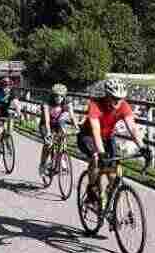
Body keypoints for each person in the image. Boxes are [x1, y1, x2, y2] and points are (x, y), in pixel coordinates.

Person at [79, 77, 145, 209]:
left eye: (121, 98)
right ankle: (91, 190)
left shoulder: (123, 105)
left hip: (108, 137)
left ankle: (109, 201)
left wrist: (143, 147)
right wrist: (101, 153)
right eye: (114, 98)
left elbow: (132, 127)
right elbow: (95, 131)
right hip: (88, 136)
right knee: (96, 158)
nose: (118, 101)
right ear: (107, 95)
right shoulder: (95, 104)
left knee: (113, 173)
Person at [39, 83, 78, 178]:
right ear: (53, 95)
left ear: (64, 96)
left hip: (58, 123)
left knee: (63, 137)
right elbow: (47, 120)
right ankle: (42, 165)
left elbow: (72, 116)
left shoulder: (67, 102)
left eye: (61, 96)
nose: (58, 98)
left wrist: (76, 127)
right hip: (46, 124)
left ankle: (61, 160)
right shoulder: (47, 102)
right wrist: (48, 132)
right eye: (56, 96)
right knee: (48, 144)